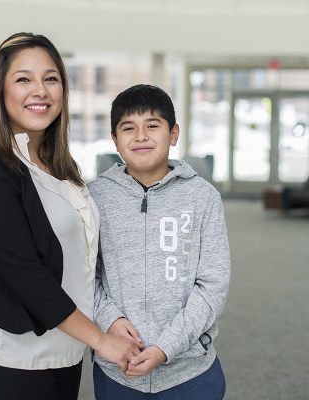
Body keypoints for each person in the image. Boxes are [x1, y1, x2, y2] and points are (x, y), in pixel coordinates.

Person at [0, 32, 143, 400]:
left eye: (50, 78)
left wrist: (108, 322)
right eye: (23, 79)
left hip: (64, 354)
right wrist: (101, 340)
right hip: (9, 360)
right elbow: (26, 276)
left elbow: (81, 262)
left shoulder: (60, 168)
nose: (40, 90)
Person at [87, 84, 231, 399]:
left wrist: (166, 347)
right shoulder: (94, 197)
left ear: (173, 133)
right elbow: (85, 276)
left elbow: (213, 285)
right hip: (118, 370)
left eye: (152, 125)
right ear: (114, 138)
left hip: (190, 373)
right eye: (128, 128)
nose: (141, 136)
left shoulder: (203, 197)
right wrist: (110, 320)